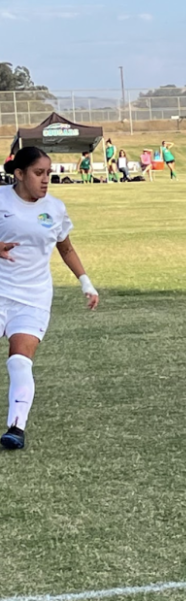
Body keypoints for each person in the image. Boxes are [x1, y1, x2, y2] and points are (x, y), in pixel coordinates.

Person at [0, 147, 99, 450]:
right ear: (18, 174)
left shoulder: (54, 208)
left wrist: (86, 283)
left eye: (49, 174)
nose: (46, 181)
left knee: (19, 360)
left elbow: (65, 248)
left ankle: (16, 427)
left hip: (33, 297)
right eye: (38, 173)